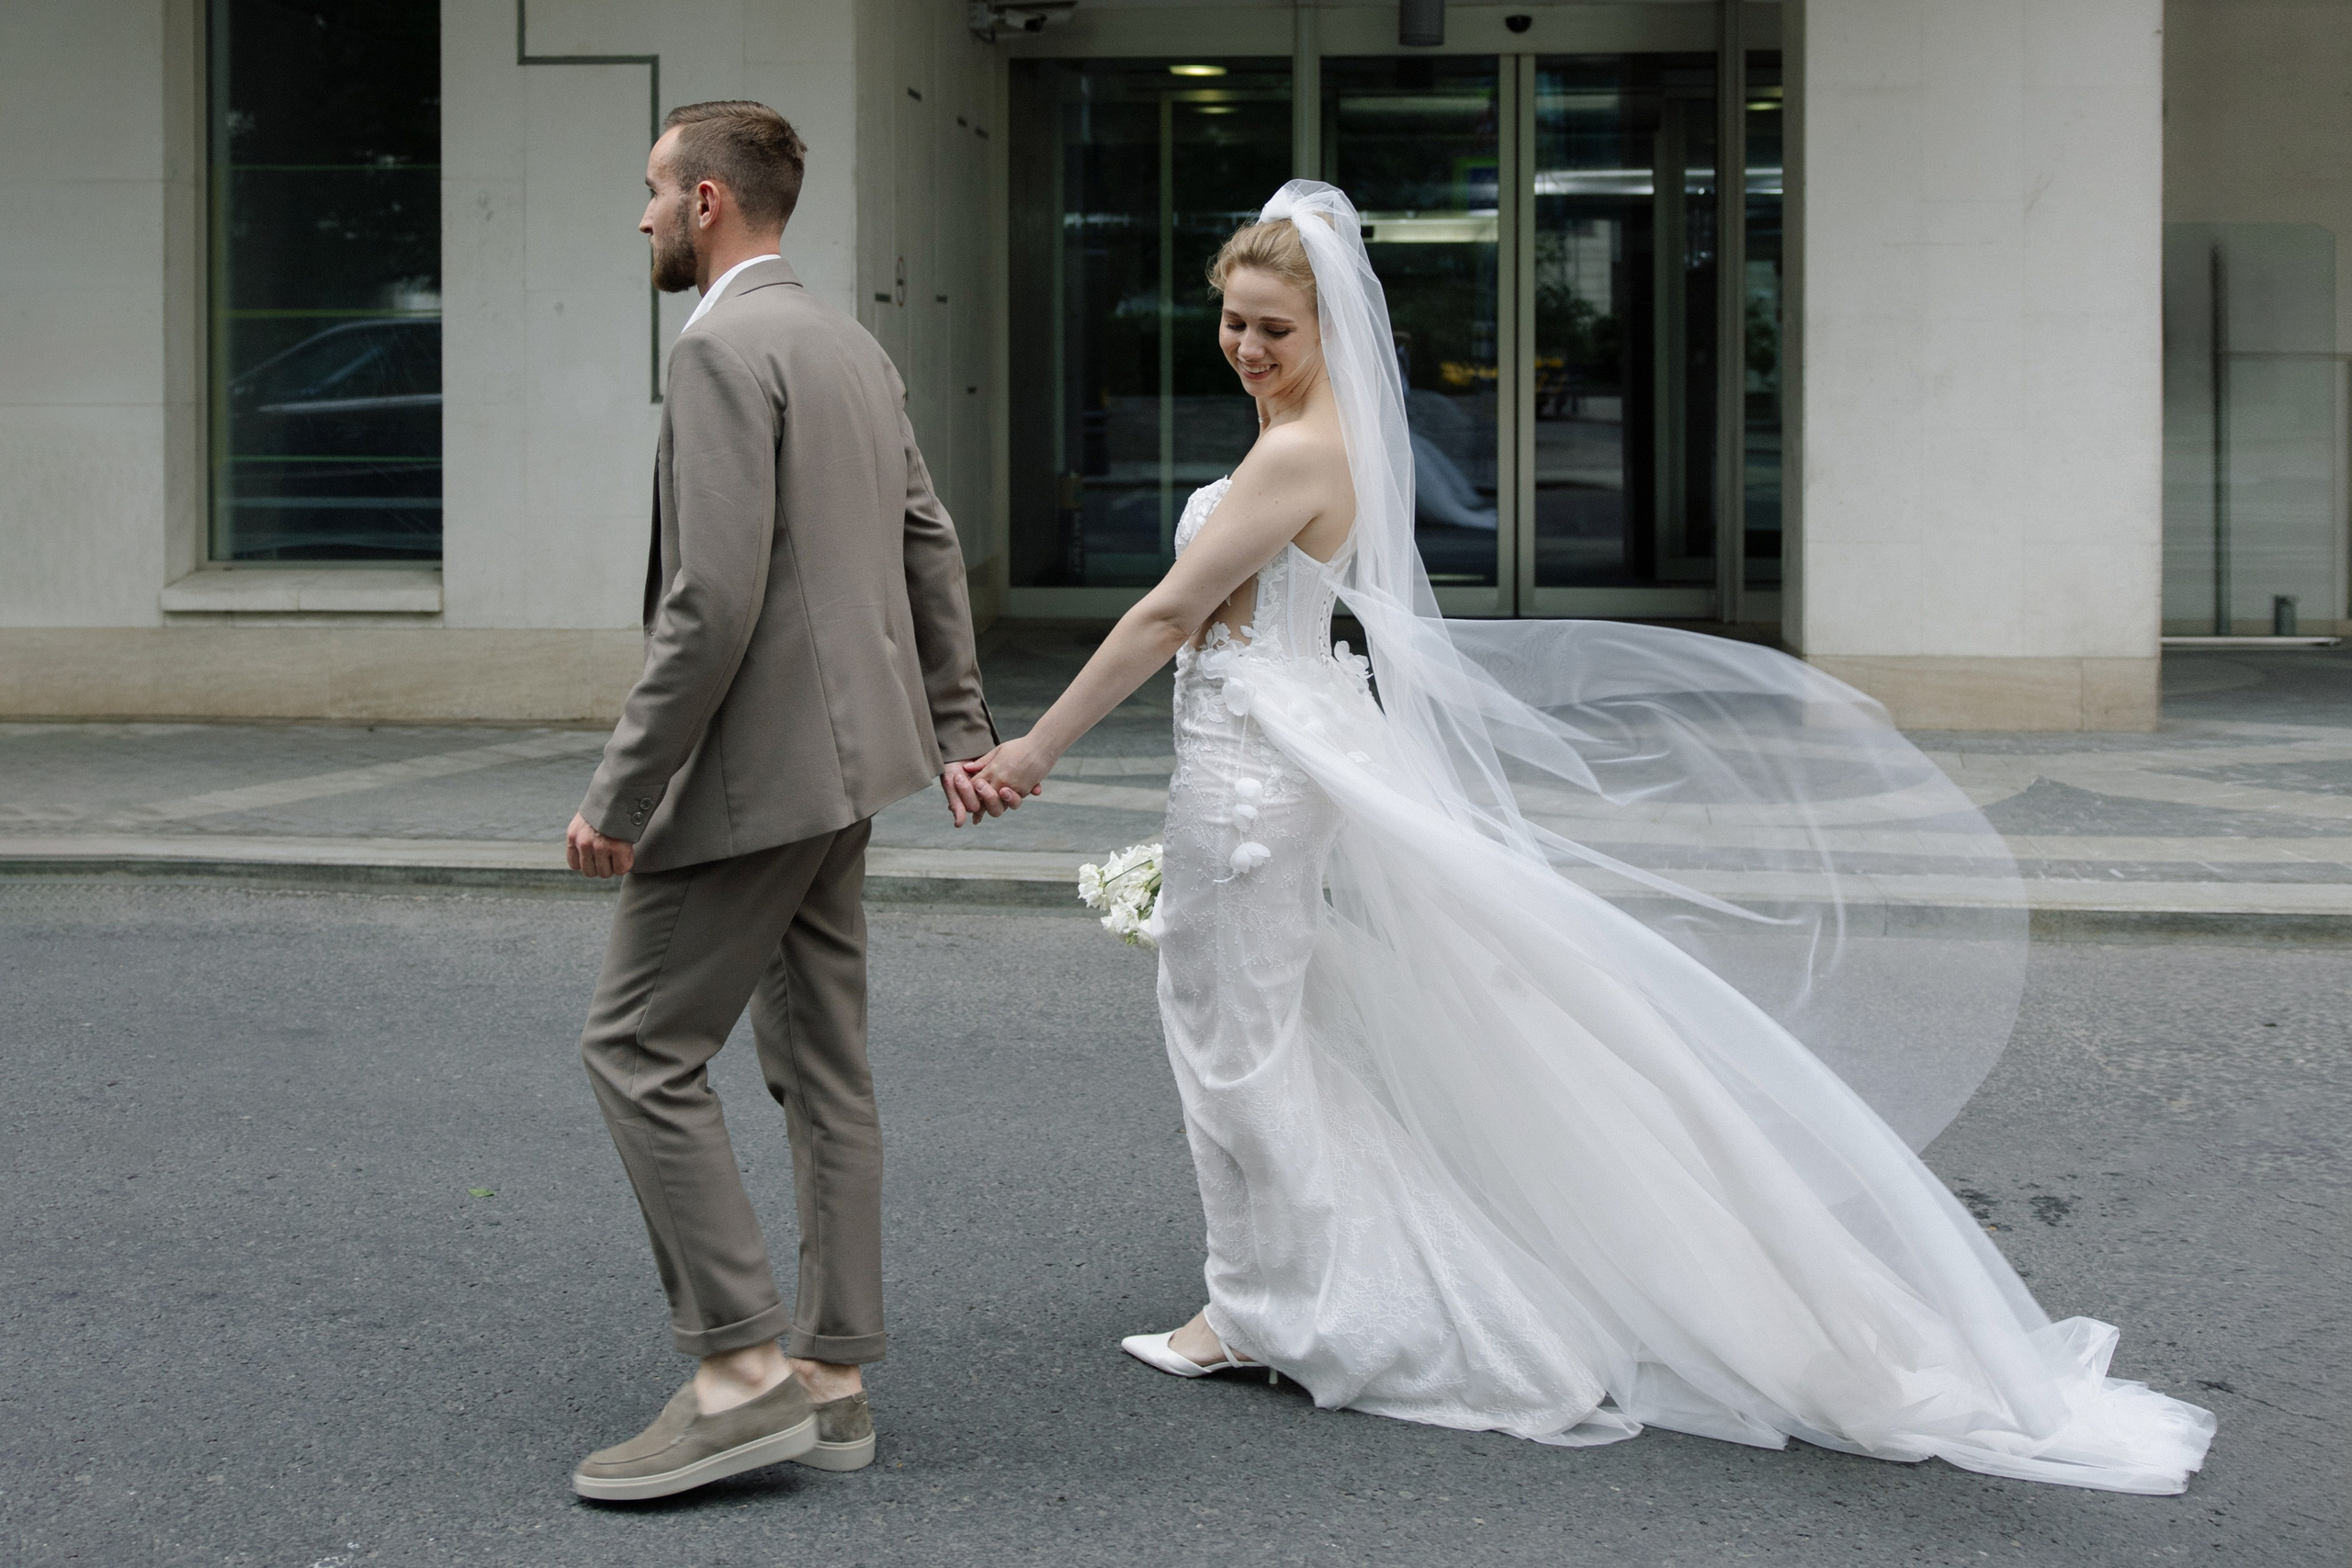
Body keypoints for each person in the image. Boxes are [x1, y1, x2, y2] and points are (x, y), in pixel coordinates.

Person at [960, 181, 2217, 1495]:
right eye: (1231, 322)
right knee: (1266, 1041)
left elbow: (1171, 616)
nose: (1247, 349)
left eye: (1274, 327)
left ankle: (1278, 1311)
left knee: (1235, 1052)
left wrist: (1037, 749)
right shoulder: (1320, 441)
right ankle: (1275, 1287)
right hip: (1268, 768)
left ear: (1333, 328)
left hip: (1249, 794)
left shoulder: (1294, 455)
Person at [563, 101, 1010, 1502]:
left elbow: (708, 607)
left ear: (708, 202)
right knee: (824, 1066)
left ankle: (740, 1374)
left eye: (651, 191)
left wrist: (621, 791)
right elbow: (928, 539)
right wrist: (951, 723)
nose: (638, 216)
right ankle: (831, 1377)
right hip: (855, 762)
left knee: (636, 1047)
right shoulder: (850, 344)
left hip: (757, 776)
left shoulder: (721, 349)